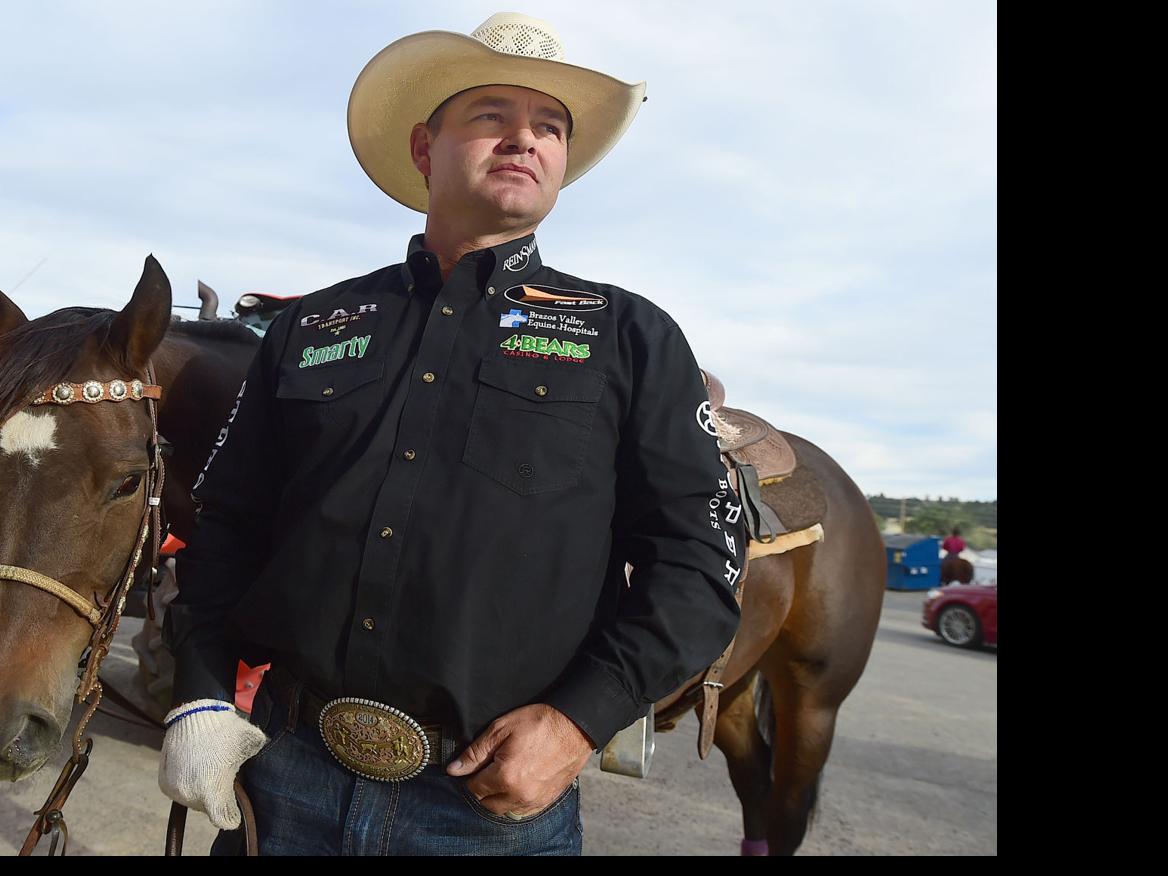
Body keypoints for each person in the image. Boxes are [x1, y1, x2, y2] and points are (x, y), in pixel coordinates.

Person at [158, 12, 745, 856]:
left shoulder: (630, 336)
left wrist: (580, 723)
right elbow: (225, 530)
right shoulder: (312, 326)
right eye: (492, 116)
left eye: (549, 126)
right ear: (425, 148)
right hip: (283, 778)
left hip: (488, 805)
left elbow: (696, 562)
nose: (524, 139)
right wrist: (204, 692)